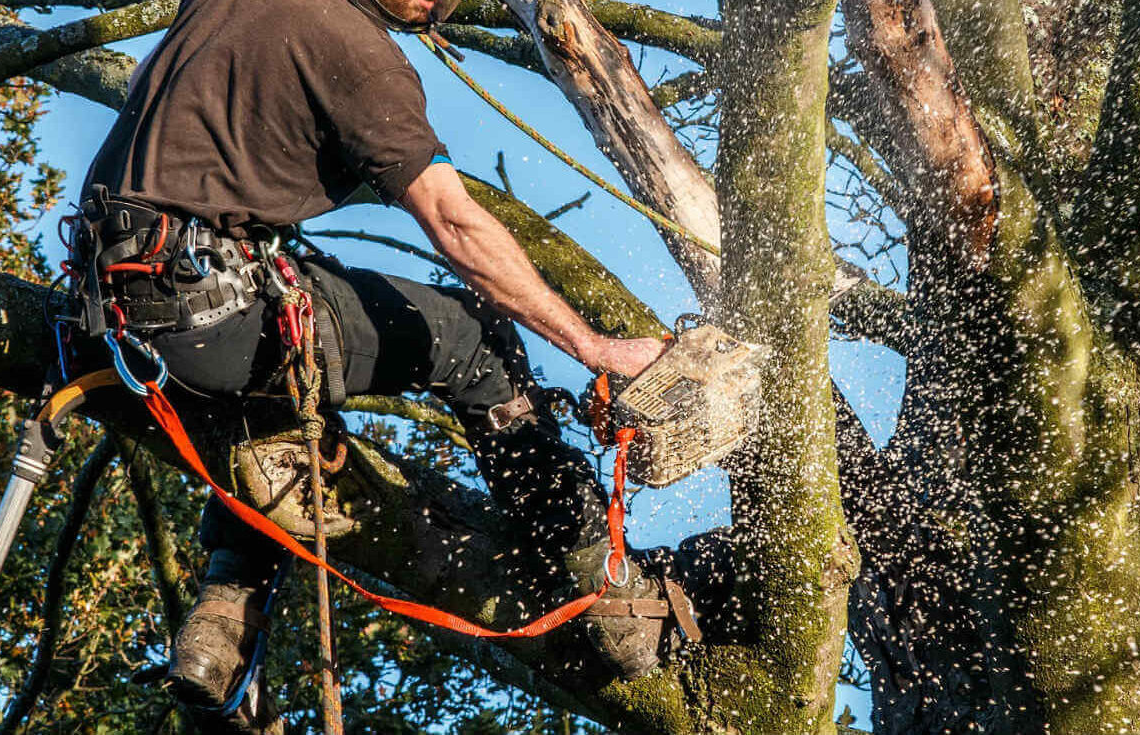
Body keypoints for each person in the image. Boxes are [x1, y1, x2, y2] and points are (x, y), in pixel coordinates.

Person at [76, 0, 694, 728]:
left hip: (109, 309)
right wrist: (593, 347)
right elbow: (452, 220)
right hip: (209, 311)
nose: (438, 7)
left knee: (283, 389)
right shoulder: (356, 51)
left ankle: (223, 612)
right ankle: (604, 588)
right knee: (476, 339)